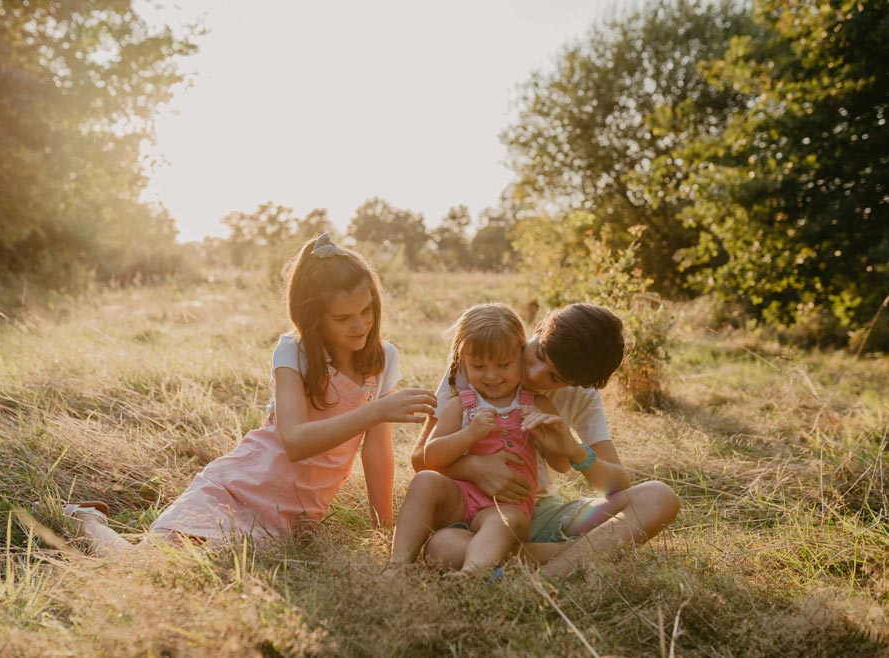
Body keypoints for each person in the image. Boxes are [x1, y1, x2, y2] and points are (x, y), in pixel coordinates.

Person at [66, 234, 437, 553]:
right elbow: (293, 441)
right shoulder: (295, 352)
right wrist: (377, 411)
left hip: (291, 514)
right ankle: (84, 518)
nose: (360, 325)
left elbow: (377, 453)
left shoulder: (383, 359)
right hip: (241, 486)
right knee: (146, 564)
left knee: (212, 569)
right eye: (343, 318)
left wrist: (383, 531)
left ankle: (91, 520)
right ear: (314, 317)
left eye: (367, 310)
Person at [409, 303, 680, 577]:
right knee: (444, 549)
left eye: (555, 377)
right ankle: (581, 554)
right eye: (539, 353)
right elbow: (421, 458)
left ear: (576, 383)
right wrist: (475, 468)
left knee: (659, 497)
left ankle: (545, 573)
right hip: (474, 510)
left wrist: (575, 451)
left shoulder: (582, 396)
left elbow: (617, 486)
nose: (535, 374)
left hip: (539, 512)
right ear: (539, 327)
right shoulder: (483, 359)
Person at [389, 304, 570, 575]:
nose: (491, 375)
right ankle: (396, 566)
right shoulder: (461, 404)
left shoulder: (536, 404)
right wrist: (469, 434)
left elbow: (562, 464)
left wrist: (555, 438)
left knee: (504, 522)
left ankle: (472, 573)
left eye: (503, 365)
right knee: (424, 481)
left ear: (520, 356)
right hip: (460, 497)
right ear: (462, 362)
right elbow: (430, 457)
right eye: (478, 366)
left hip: (508, 506)